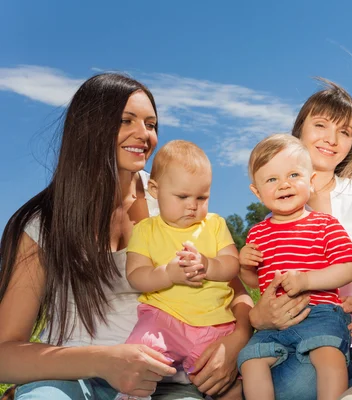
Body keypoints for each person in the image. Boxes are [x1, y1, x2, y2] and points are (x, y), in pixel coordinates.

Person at [0, 73, 253, 400]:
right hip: (71, 378)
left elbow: (234, 290)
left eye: (151, 124)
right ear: (89, 126)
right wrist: (105, 361)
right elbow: (5, 354)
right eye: (126, 120)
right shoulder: (43, 222)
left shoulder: (173, 199)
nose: (144, 134)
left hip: (163, 380)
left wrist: (236, 342)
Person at [247, 80, 352, 400]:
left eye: (345, 131)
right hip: (295, 344)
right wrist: (258, 316)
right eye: (321, 125)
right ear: (299, 131)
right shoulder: (273, 216)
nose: (331, 138)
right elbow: (251, 284)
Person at [114, 140, 241, 400]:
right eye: (182, 196)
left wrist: (209, 265)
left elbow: (232, 265)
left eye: (202, 197)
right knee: (139, 355)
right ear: (154, 189)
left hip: (215, 325)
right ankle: (131, 395)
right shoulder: (145, 230)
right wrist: (168, 274)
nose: (193, 205)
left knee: (229, 382)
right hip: (163, 320)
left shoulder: (214, 225)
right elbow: (136, 275)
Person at [237, 134, 352, 400]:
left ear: (311, 181)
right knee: (250, 360)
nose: (284, 185)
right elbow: (254, 281)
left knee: (328, 355)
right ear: (257, 192)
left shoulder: (325, 224)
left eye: (294, 175)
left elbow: (348, 268)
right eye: (272, 179)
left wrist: (306, 281)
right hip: (273, 323)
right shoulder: (257, 233)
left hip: (319, 312)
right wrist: (245, 265)